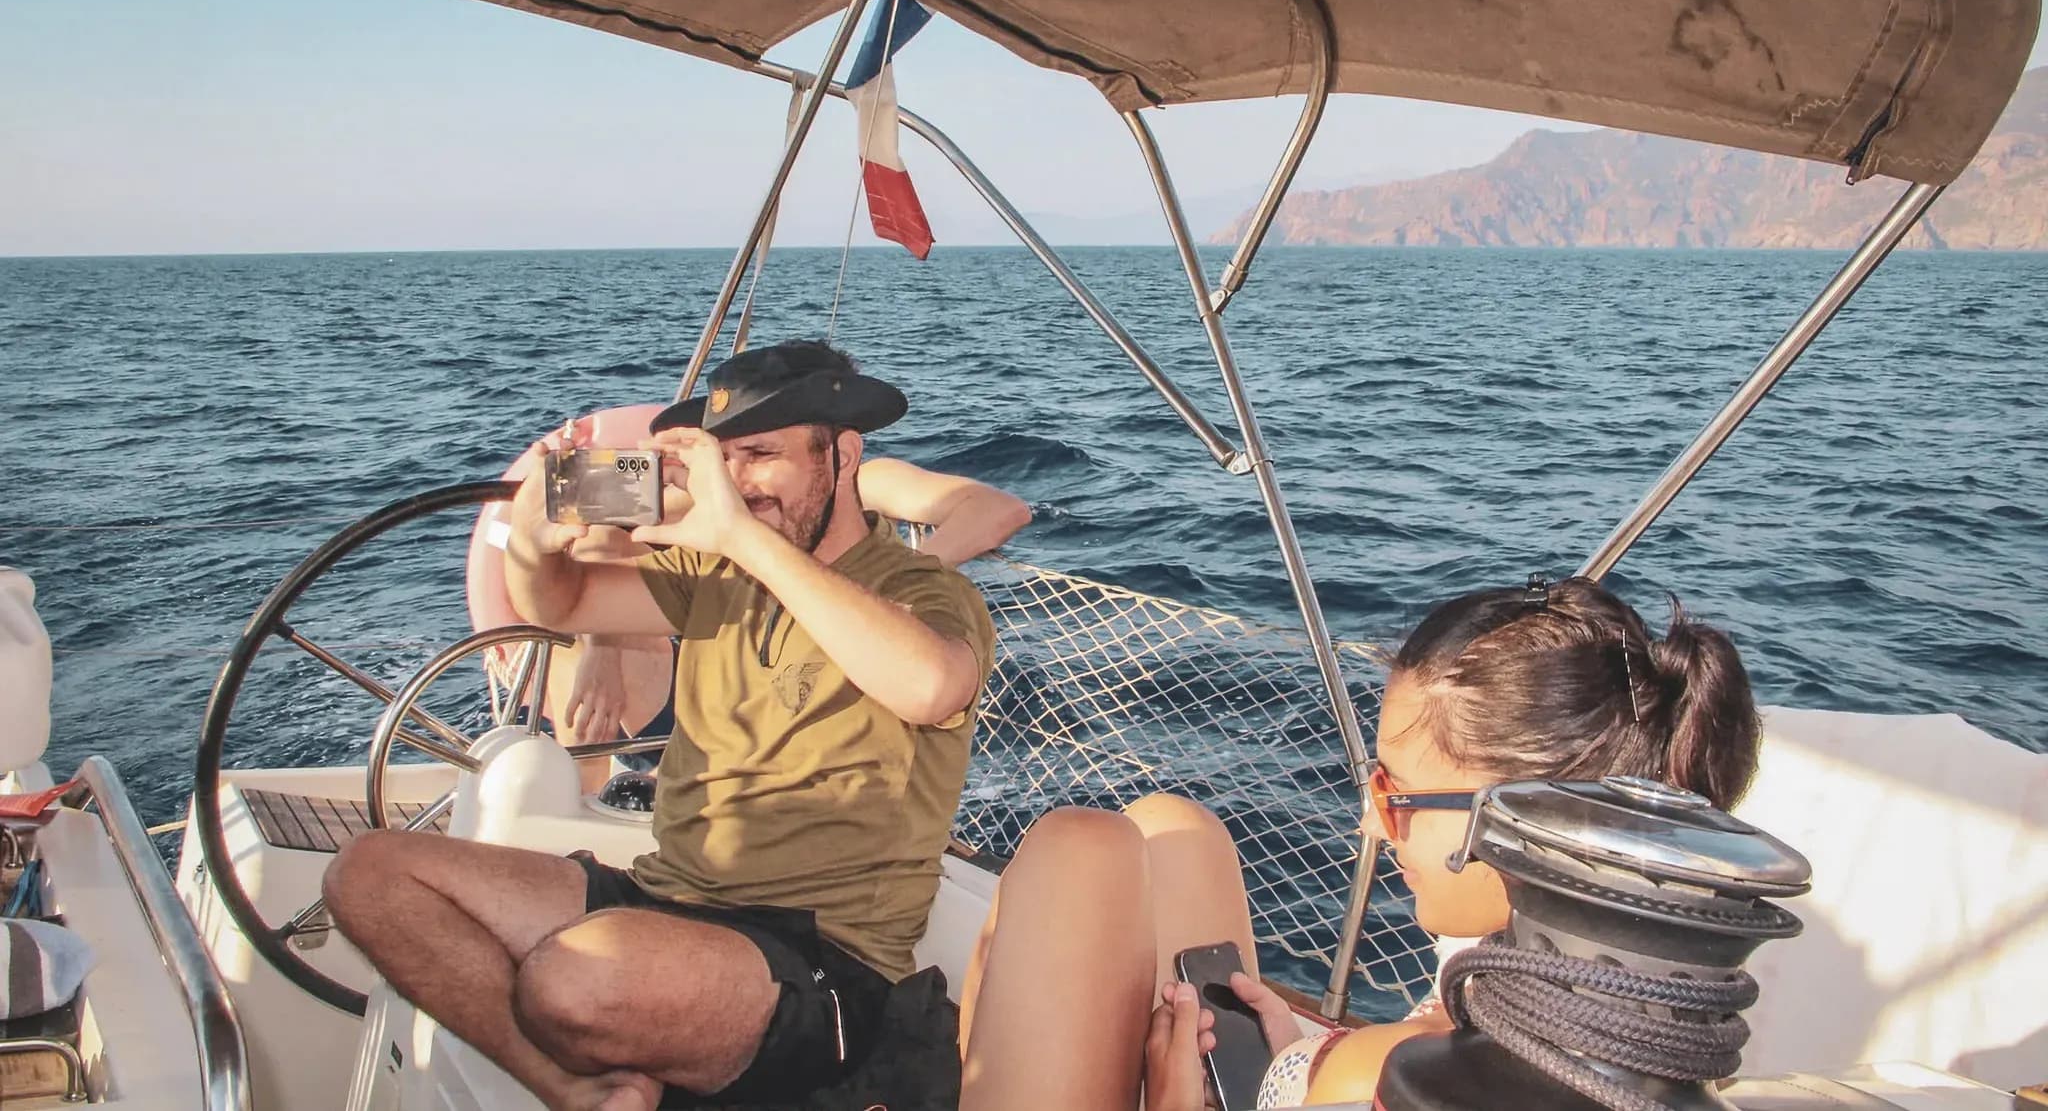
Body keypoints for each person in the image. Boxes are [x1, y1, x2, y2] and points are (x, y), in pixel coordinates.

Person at [323, 341, 997, 1111]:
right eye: (725, 460)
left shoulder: (919, 589)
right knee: (371, 877)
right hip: (668, 898)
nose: (740, 485)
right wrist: (538, 543)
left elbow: (931, 684)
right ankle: (579, 1091)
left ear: (844, 454)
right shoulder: (713, 578)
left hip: (821, 961)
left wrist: (742, 537)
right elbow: (562, 605)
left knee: (572, 979)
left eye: (763, 455)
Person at [957, 576, 1762, 1111]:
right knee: (1176, 825)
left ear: (1523, 820)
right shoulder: (1622, 1027)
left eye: (1394, 793)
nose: (1370, 824)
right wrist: (1300, 1051)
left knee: (1072, 849)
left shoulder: (1394, 1082)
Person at [542, 457, 1028, 791]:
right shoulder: (717, 488)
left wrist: (876, 586)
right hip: (710, 672)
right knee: (571, 652)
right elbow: (584, 508)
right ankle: (588, 819)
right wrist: (601, 649)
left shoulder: (860, 482)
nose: (748, 461)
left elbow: (997, 510)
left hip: (814, 693)